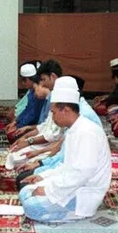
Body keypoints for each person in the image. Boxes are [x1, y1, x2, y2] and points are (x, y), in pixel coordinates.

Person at [19, 82, 111, 223]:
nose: (53, 117)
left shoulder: (87, 132)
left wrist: (48, 190)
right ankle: (56, 207)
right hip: (72, 185)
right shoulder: (74, 129)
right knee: (25, 192)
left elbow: (81, 174)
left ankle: (75, 213)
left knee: (32, 207)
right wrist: (43, 176)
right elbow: (67, 166)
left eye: (54, 112)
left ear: (65, 110)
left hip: (84, 193)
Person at [7, 63, 45, 140]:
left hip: (37, 126)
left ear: (27, 80)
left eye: (23, 81)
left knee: (13, 135)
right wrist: (16, 122)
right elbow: (27, 109)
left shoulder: (39, 93)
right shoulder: (32, 91)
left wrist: (19, 126)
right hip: (33, 124)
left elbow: (33, 115)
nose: (22, 84)